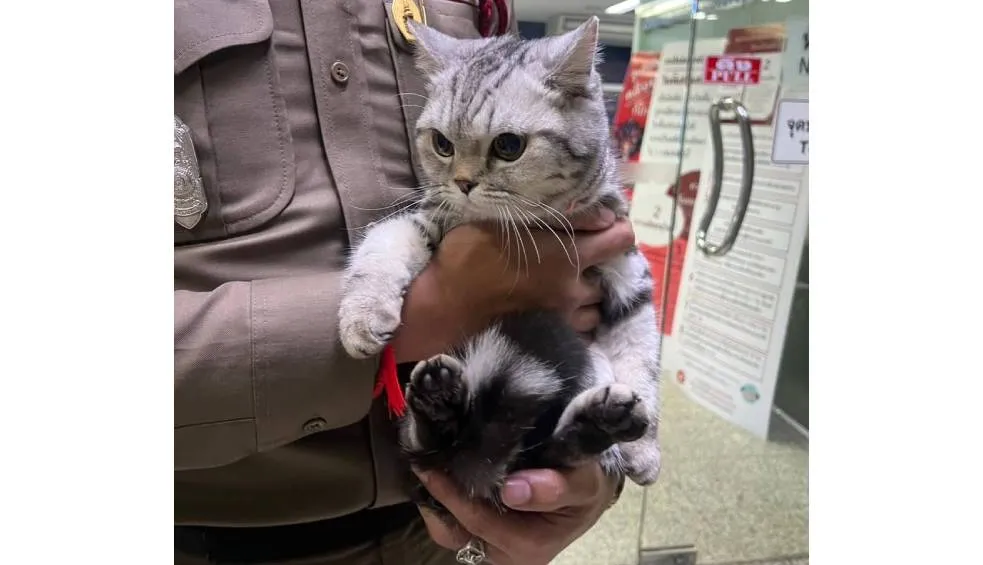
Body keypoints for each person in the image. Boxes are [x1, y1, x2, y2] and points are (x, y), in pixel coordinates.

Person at [174, 1, 637, 563]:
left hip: (460, 521)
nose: (460, 178)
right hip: (212, 533)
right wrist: (430, 311)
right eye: (441, 146)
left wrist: (598, 468)